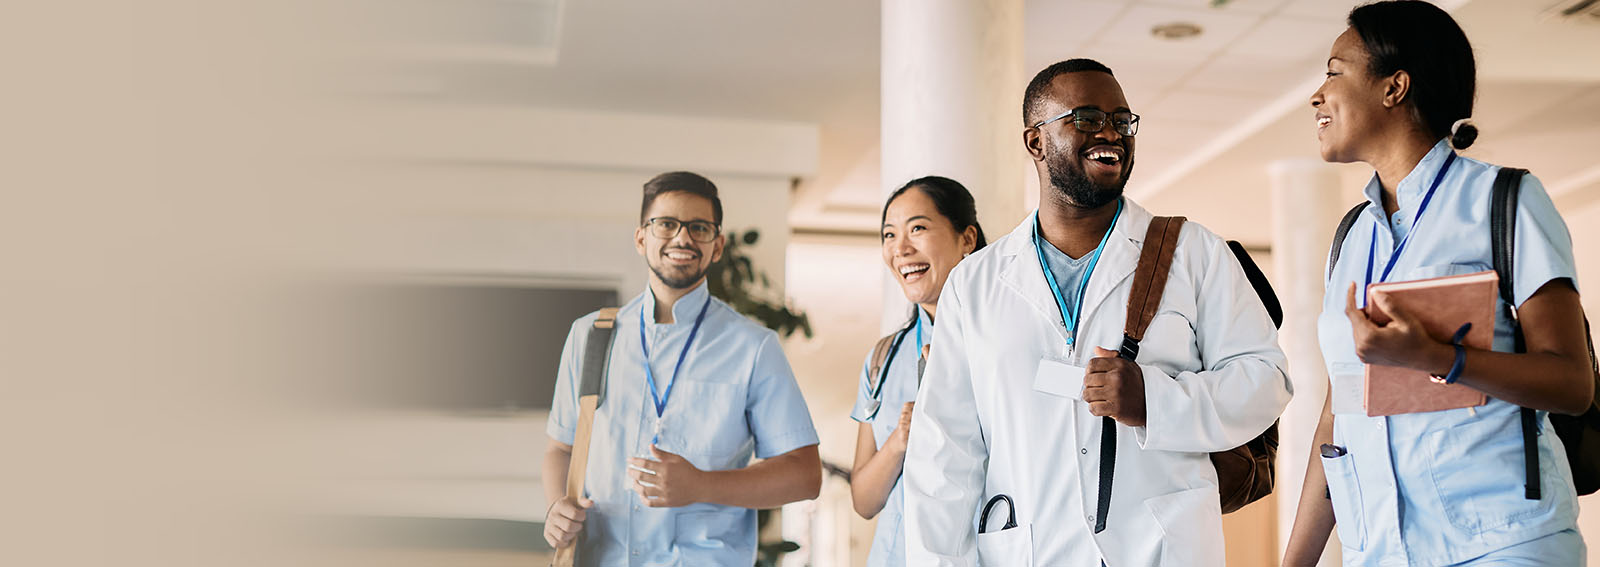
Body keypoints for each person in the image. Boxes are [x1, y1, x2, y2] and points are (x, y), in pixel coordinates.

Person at [902, 58, 1292, 566]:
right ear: (1035, 141)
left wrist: (1153, 400)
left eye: (1121, 120)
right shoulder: (974, 285)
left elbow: (1267, 379)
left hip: (1158, 550)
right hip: (1028, 551)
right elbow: (944, 457)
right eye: (1086, 118)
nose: (1111, 132)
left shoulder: (1195, 253)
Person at [1282, 2, 1592, 565]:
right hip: (1378, 548)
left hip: (1501, 542)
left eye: (1334, 71)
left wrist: (1432, 356)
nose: (1317, 94)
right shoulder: (1351, 238)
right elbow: (1339, 414)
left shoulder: (1503, 200)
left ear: (1394, 87)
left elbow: (1572, 383)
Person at [541, 171, 822, 566]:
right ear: (642, 238)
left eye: (699, 228)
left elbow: (804, 476)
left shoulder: (753, 347)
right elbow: (560, 449)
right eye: (666, 224)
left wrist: (701, 485)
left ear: (718, 245)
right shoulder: (589, 334)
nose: (683, 238)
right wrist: (557, 506)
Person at [850, 175, 985, 567]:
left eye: (918, 229)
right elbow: (863, 500)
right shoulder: (883, 358)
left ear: (967, 239)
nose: (901, 249)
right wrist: (900, 439)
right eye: (889, 235)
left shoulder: (1002, 344)